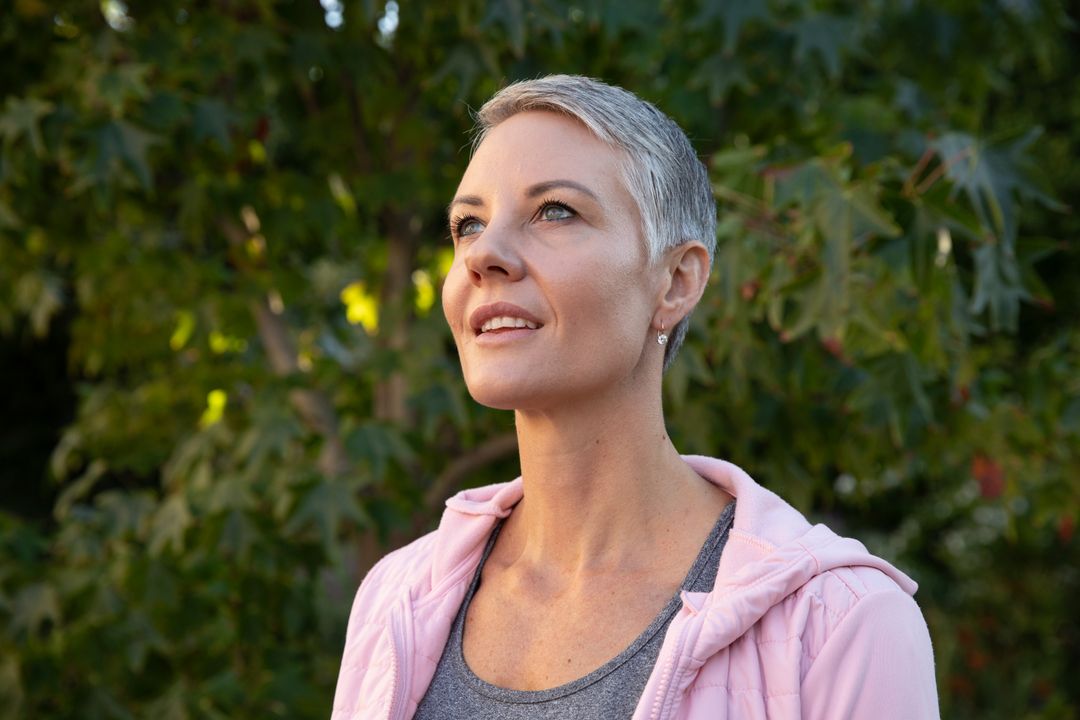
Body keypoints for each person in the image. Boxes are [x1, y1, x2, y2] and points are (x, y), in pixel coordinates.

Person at [331, 75, 938, 719]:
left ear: (676, 283)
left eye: (555, 210)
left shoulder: (839, 625)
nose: (486, 255)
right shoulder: (394, 600)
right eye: (468, 223)